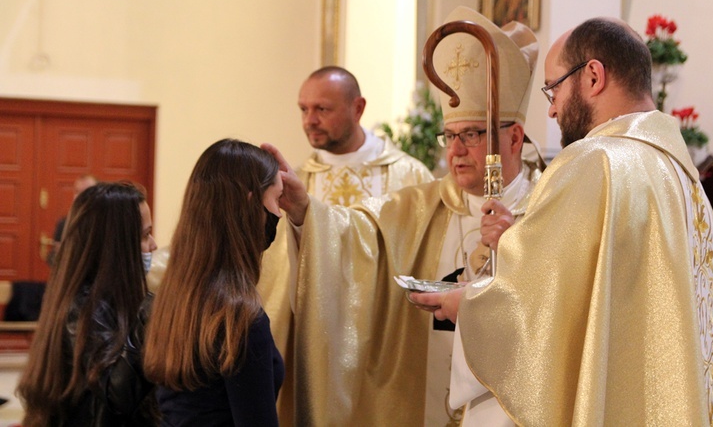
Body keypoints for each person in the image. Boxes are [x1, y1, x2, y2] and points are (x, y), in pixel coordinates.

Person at [411, 17, 713, 425]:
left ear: (592, 76)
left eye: (553, 88)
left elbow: (536, 305)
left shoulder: (596, 160)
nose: (552, 108)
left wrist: (465, 303)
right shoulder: (681, 172)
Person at [265, 6, 542, 426]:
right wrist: (306, 211)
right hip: (423, 399)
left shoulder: (548, 205)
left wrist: (517, 249)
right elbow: (359, 234)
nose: (456, 150)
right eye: (450, 136)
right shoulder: (420, 204)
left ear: (515, 137)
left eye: (470, 134)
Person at [256, 65, 434, 422]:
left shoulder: (410, 178)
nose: (310, 120)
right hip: (316, 342)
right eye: (303, 109)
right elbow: (274, 271)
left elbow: (423, 259)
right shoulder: (296, 181)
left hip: (384, 343)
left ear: (358, 108)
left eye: (322, 109)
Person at [143, 139, 285, 425]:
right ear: (250, 203)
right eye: (277, 199)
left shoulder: (175, 295)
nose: (280, 213)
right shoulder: (240, 317)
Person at [18, 181, 159, 426]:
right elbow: (118, 395)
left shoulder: (116, 298)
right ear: (118, 245)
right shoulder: (85, 307)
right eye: (145, 235)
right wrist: (151, 312)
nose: (154, 244)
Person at [47, 174, 98, 266]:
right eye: (77, 191)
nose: (80, 196)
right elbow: (52, 259)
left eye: (87, 192)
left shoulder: (105, 223)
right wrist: (59, 254)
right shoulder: (64, 223)